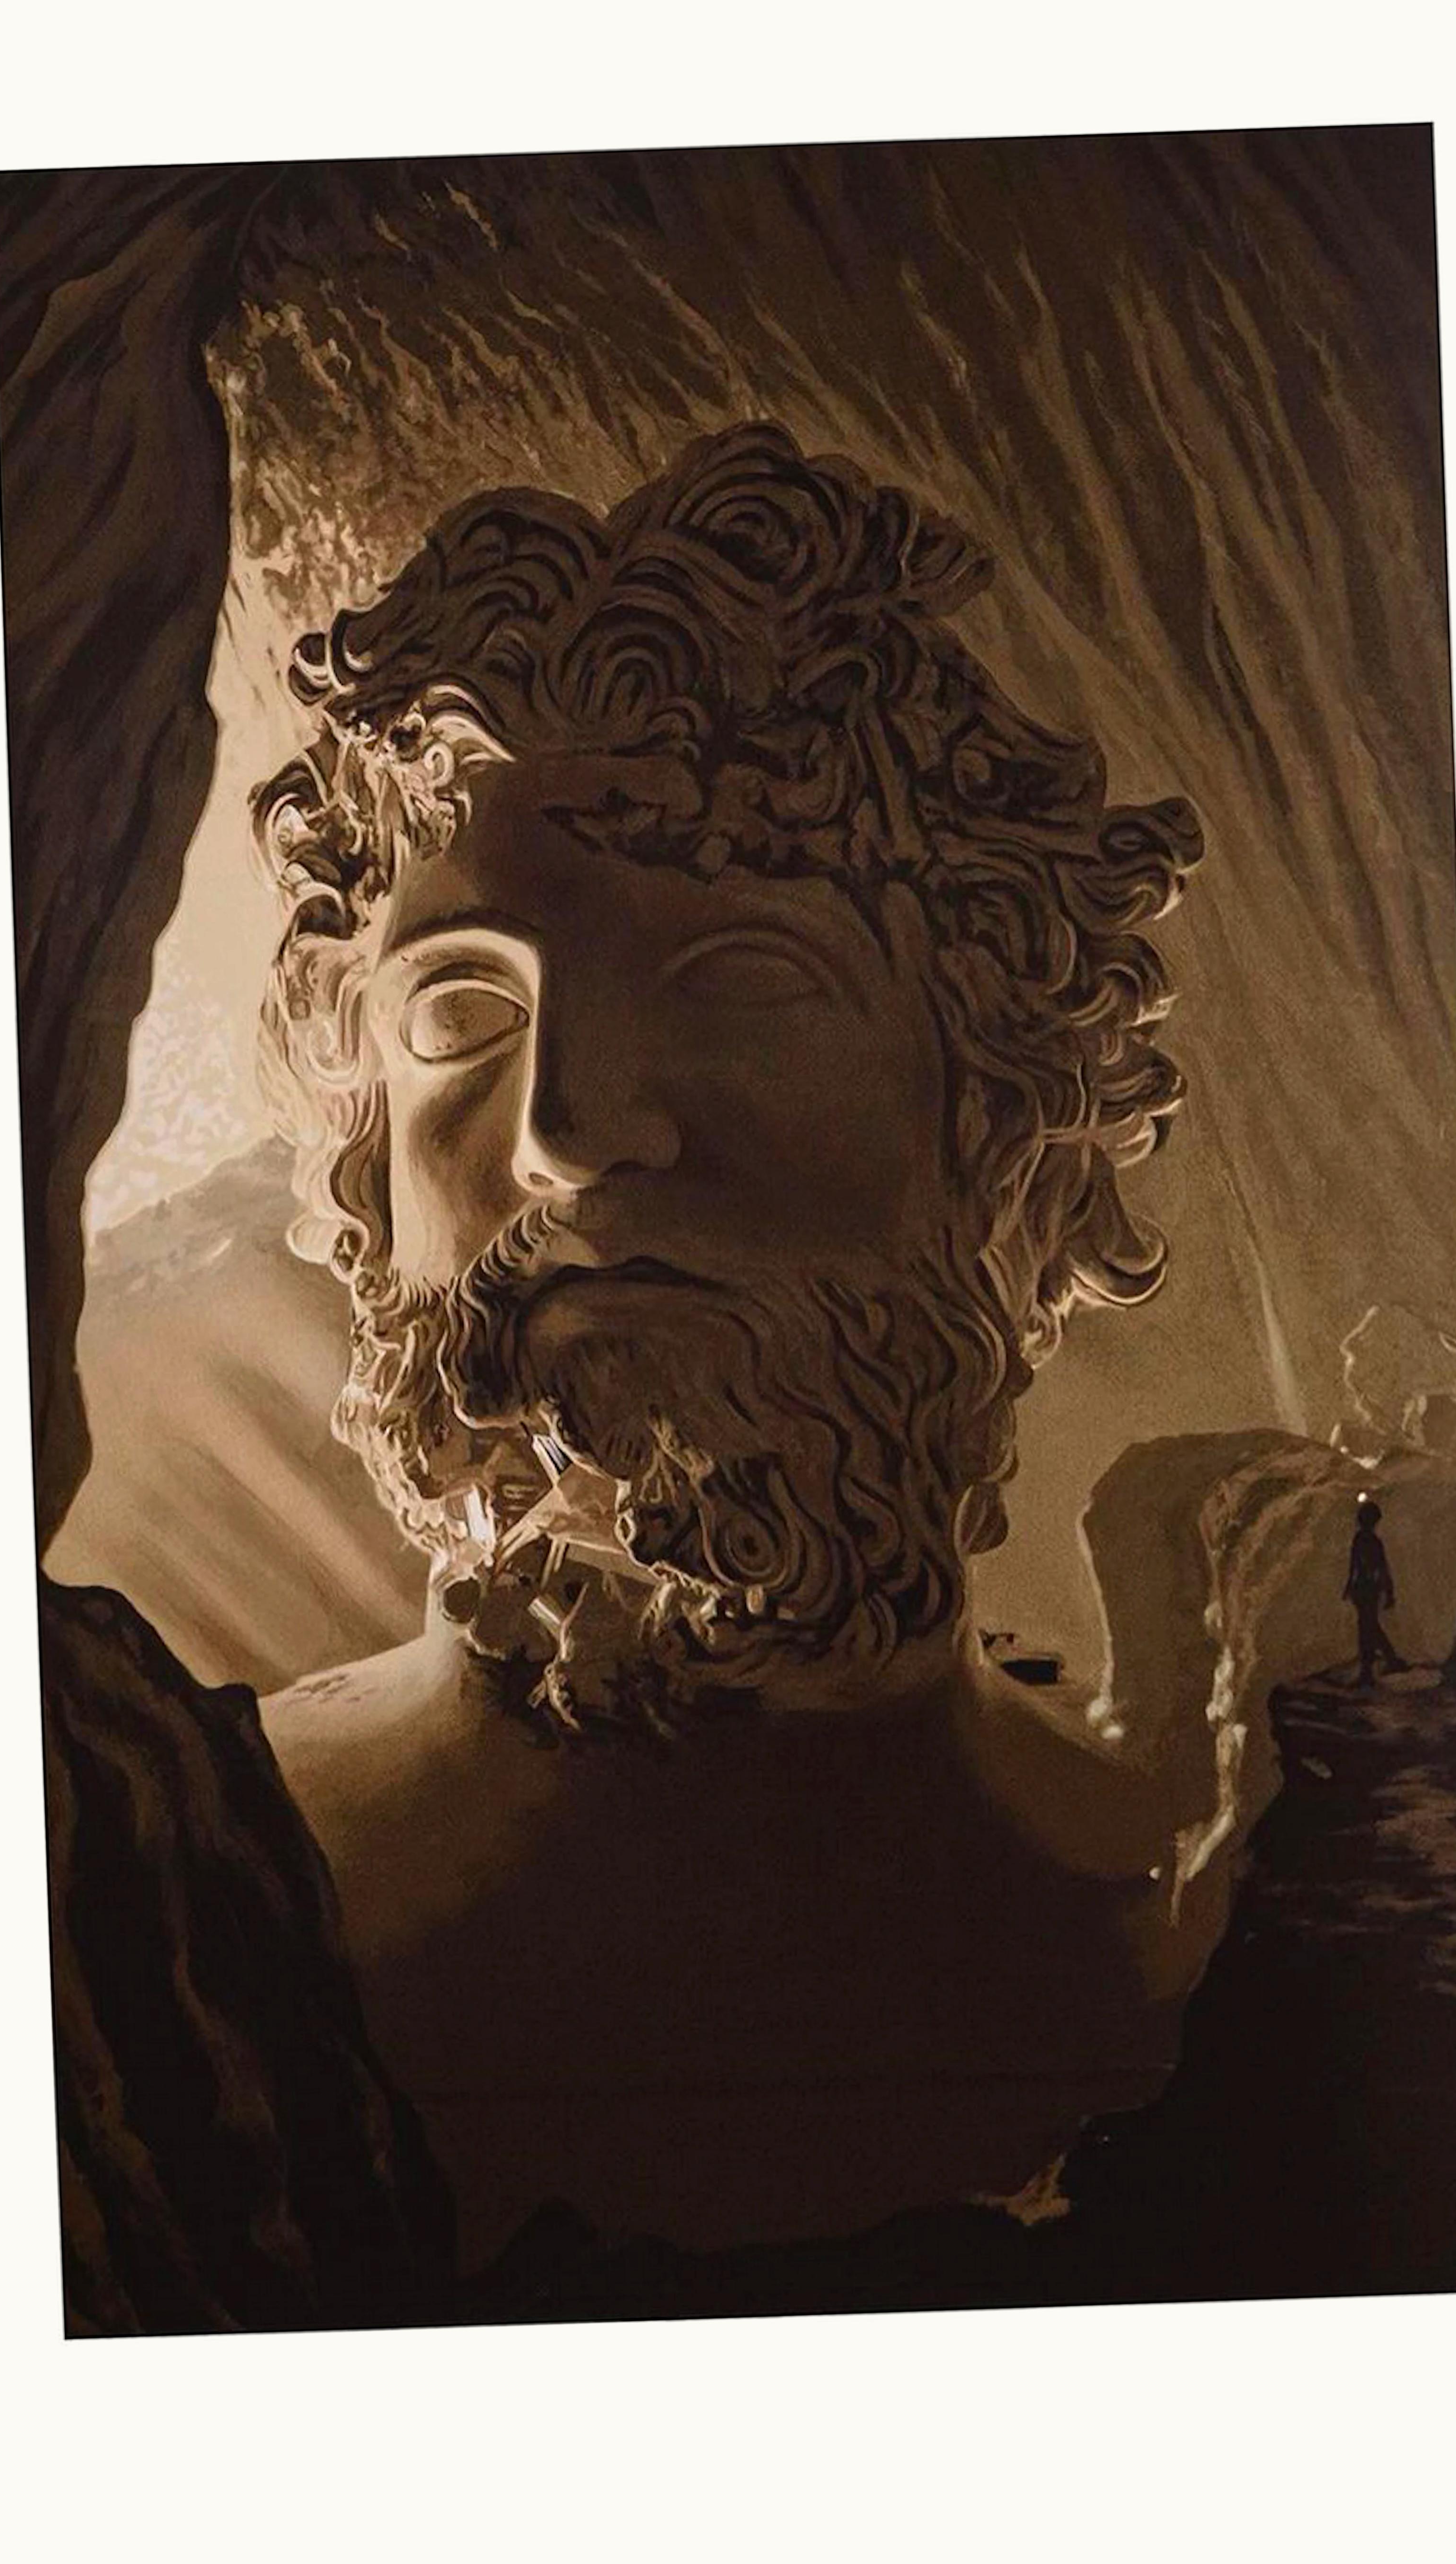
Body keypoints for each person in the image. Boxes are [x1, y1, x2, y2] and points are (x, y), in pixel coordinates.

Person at [249, 421, 1212, 2257]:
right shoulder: (145, 1906)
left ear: (1006, 1124)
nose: (566, 1130)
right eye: (461, 1009)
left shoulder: (1226, 1931)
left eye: (742, 982)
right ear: (361, 1141)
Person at [1346, 1495, 1408, 1685]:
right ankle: (1387, 1661)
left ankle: (1375, 1667)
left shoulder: (1363, 1540)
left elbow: (1360, 1566)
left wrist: (1350, 1585)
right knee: (1370, 1627)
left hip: (1365, 1589)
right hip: (1369, 1589)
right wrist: (1389, 1591)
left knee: (1368, 1628)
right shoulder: (1371, 1541)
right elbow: (1378, 1568)